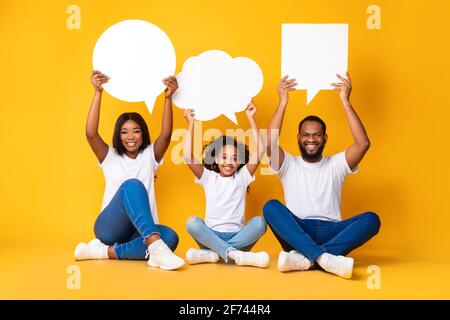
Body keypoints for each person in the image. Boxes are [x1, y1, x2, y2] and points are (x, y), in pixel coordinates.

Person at [263, 73, 381, 278]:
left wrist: (345, 101)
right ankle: (325, 259)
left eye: (317, 135)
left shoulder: (336, 164)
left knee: (372, 219)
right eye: (306, 135)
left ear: (325, 138)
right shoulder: (288, 164)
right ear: (299, 138)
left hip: (333, 230)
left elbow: (363, 144)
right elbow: (270, 143)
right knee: (270, 207)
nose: (311, 139)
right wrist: (283, 101)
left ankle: (305, 260)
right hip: (297, 230)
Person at [73, 70, 185, 271]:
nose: (130, 136)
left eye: (136, 131)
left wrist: (167, 99)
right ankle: (155, 246)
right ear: (118, 135)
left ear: (143, 134)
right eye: (124, 132)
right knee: (132, 185)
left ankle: (103, 252)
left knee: (171, 237)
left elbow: (166, 135)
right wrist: (98, 93)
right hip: (109, 229)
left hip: (139, 233)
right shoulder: (110, 157)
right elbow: (91, 133)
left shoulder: (149, 156)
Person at [183, 102, 269, 268]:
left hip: (239, 237)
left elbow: (260, 151)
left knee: (260, 222)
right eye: (224, 157)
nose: (229, 162)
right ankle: (234, 255)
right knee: (192, 222)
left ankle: (215, 255)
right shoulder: (208, 178)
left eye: (234, 158)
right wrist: (191, 124)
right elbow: (187, 157)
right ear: (215, 159)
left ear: (239, 162)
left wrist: (251, 118)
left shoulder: (242, 177)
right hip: (211, 236)